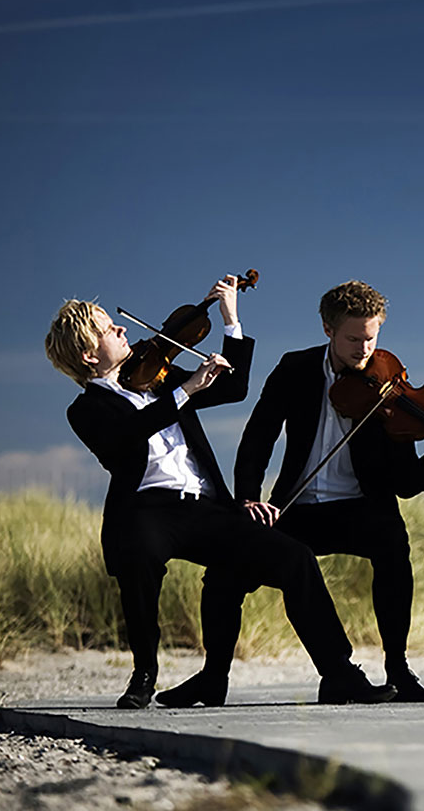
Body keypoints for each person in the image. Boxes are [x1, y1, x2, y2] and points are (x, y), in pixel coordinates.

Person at [44, 275, 395, 708]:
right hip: (147, 508)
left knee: (293, 558)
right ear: (87, 354)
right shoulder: (86, 409)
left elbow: (234, 388)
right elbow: (126, 436)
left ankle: (337, 674)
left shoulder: (158, 377)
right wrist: (185, 390)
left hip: (206, 507)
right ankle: (143, 675)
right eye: (106, 329)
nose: (121, 329)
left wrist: (231, 319)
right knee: (139, 558)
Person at [157, 281, 424, 707]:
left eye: (371, 338)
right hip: (295, 506)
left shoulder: (386, 384)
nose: (364, 349)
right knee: (226, 566)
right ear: (327, 330)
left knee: (393, 545)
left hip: (361, 507)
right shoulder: (294, 369)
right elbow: (258, 437)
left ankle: (397, 669)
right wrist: (248, 498)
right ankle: (213, 677)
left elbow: (405, 484)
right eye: (353, 339)